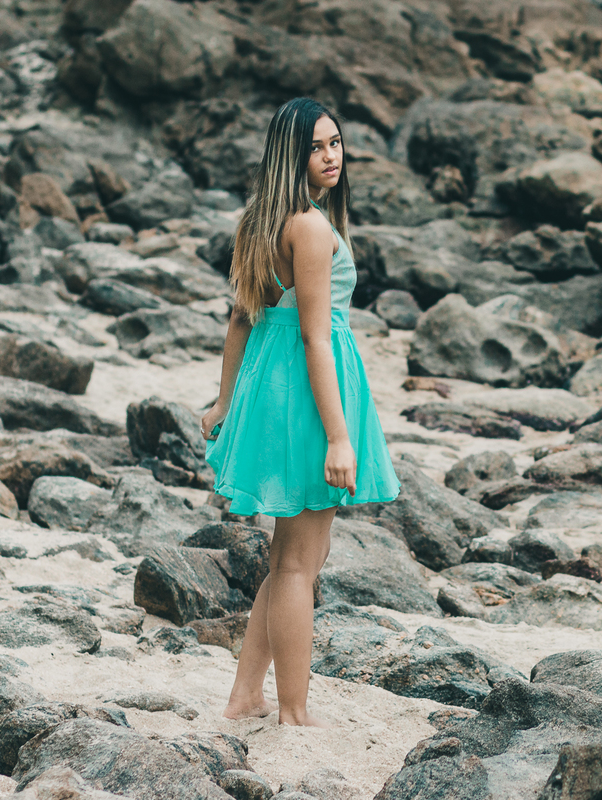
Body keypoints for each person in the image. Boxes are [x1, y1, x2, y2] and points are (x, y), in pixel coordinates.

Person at [200, 97, 401, 727]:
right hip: (307, 393)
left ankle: (244, 697)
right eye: (317, 146)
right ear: (292, 154)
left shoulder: (266, 219)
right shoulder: (311, 227)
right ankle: (293, 714)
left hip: (274, 385)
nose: (332, 155)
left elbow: (242, 316)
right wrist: (339, 438)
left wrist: (226, 399)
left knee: (291, 557)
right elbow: (316, 337)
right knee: (298, 563)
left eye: (337, 143)